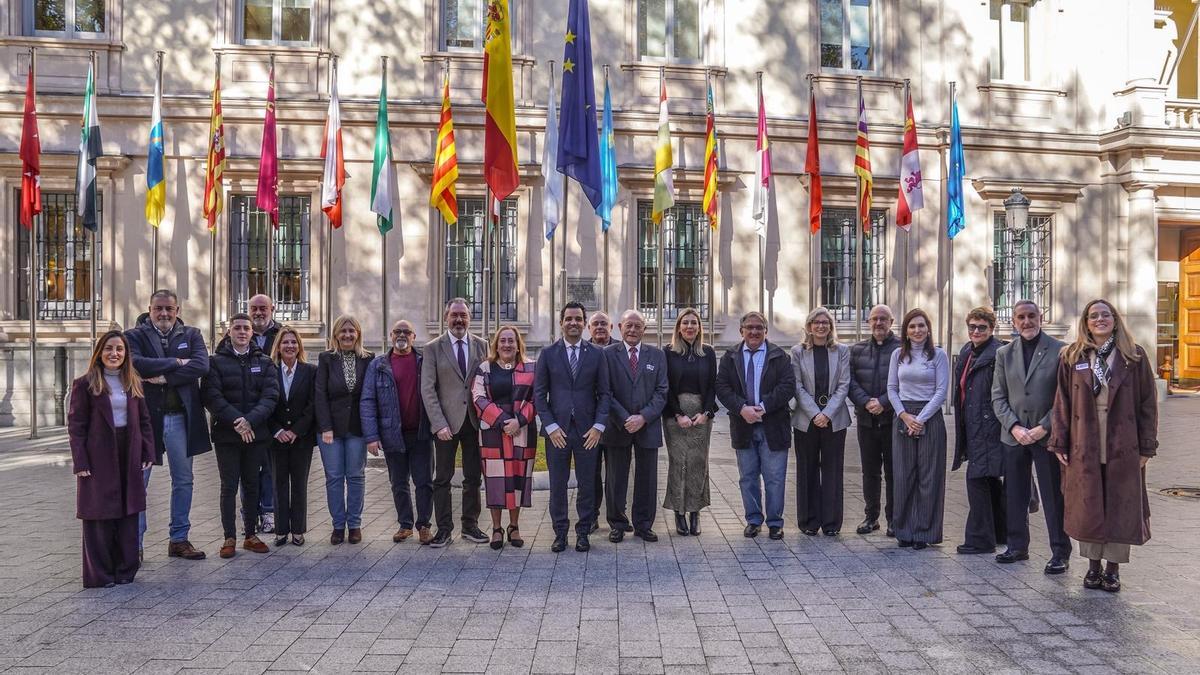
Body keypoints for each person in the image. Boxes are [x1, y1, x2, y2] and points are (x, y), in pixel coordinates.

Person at [1049, 299, 1158, 593]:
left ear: (1115, 319)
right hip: (1084, 442)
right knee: (1088, 505)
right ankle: (1093, 566)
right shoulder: (1072, 356)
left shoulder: (1133, 356)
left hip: (1123, 444)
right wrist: (1058, 439)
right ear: (1086, 322)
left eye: (1105, 315)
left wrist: (1147, 447)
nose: (1100, 319)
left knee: (1121, 505)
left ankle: (1113, 569)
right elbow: (1061, 402)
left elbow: (1148, 404)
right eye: (1094, 315)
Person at [125, 289, 210, 561]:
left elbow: (200, 366)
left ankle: (179, 539)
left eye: (169, 309)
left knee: (184, 480)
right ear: (149, 309)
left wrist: (164, 378)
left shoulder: (192, 335)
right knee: (139, 482)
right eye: (158, 308)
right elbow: (136, 364)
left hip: (181, 418)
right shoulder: (133, 336)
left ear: (177, 310)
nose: (164, 314)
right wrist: (175, 363)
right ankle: (134, 543)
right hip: (146, 421)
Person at [68, 331, 155, 587]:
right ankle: (101, 575)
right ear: (99, 352)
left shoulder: (133, 382)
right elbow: (76, 426)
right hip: (98, 454)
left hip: (129, 450)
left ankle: (125, 570)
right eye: (109, 348)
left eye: (119, 349)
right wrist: (80, 461)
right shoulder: (84, 384)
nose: (114, 354)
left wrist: (148, 451)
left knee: (128, 511)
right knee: (99, 513)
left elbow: (145, 421)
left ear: (126, 354)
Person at [991, 299, 1072, 573]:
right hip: (1014, 435)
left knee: (1052, 495)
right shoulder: (1004, 354)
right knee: (1015, 493)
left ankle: (1060, 551)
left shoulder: (1060, 351)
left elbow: (1064, 396)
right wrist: (1014, 426)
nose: (1026, 322)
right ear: (1013, 321)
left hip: (1045, 435)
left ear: (1041, 317)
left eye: (1031, 316)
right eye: (1021, 317)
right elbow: (998, 397)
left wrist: (1043, 427)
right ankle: (1017, 546)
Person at [534, 302, 612, 553]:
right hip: (558, 432)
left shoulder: (597, 354)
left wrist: (599, 426)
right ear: (561, 322)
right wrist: (551, 426)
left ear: (584, 322)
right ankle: (560, 533)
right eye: (569, 319)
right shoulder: (547, 354)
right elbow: (539, 395)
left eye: (578, 319)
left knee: (587, 484)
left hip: (588, 432)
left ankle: (583, 532)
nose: (573, 323)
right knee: (558, 485)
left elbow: (605, 393)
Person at [202, 314, 279, 558]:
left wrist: (250, 421)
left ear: (251, 333)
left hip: (256, 434)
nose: (243, 332)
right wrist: (238, 421)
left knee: (251, 483)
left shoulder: (265, 362)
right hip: (227, 435)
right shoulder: (215, 362)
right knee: (228, 486)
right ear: (230, 332)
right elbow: (211, 396)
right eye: (238, 328)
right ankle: (229, 537)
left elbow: (270, 397)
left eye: (246, 328)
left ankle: (250, 535)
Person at [715, 311, 795, 540]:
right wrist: (742, 408)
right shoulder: (730, 357)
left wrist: (763, 407)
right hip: (743, 425)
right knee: (747, 476)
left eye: (759, 327)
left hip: (773, 425)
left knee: (775, 477)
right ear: (741, 331)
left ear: (765, 331)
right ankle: (753, 520)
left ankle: (775, 522)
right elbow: (722, 387)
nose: (754, 331)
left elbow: (787, 386)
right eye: (749, 327)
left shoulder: (779, 356)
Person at [421, 298, 490, 547]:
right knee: (442, 478)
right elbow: (428, 390)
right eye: (454, 315)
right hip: (445, 426)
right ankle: (444, 529)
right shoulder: (432, 348)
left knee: (473, 477)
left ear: (469, 318)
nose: (459, 320)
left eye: (463, 316)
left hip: (473, 422)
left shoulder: (482, 345)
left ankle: (470, 526)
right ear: (446, 317)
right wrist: (439, 424)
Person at [361, 320, 434, 545]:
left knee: (424, 482)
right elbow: (367, 400)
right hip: (392, 433)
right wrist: (371, 437)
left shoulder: (424, 361)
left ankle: (423, 525)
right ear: (391, 335)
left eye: (406, 332)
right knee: (398, 482)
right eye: (397, 332)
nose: (402, 335)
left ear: (413, 336)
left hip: (421, 433)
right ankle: (405, 525)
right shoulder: (378, 364)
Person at [886, 308, 950, 550]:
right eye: (912, 326)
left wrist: (920, 419)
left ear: (928, 328)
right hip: (902, 416)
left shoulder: (938, 355)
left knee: (928, 476)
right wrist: (903, 415)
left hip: (929, 417)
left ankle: (924, 531)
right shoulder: (897, 356)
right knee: (903, 475)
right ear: (905, 331)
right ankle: (904, 529)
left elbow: (941, 392)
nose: (917, 330)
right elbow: (892, 388)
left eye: (921, 325)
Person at [602, 310, 668, 543]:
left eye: (637, 326)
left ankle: (643, 525)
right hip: (617, 426)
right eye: (628, 326)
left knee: (647, 479)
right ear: (620, 327)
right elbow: (605, 391)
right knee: (615, 478)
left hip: (647, 426)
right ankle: (617, 523)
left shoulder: (657, 356)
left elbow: (662, 392)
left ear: (644, 330)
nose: (632, 330)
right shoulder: (608, 354)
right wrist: (624, 418)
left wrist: (643, 417)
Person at [471, 326, 538, 549]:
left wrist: (518, 421)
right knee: (496, 479)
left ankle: (514, 526)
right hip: (493, 431)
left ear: (518, 344)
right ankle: (497, 527)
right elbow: (478, 397)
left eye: (511, 341)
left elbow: (537, 398)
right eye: (503, 341)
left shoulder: (531, 367)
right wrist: (502, 421)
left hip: (522, 431)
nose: (507, 345)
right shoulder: (484, 368)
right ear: (496, 345)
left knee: (518, 477)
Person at [791, 307, 851, 537]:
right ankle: (808, 521)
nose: (821, 326)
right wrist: (816, 413)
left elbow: (844, 384)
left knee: (833, 470)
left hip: (835, 420)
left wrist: (827, 414)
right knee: (807, 470)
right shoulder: (797, 352)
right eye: (816, 322)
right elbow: (797, 386)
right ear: (809, 326)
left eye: (825, 322)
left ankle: (831, 523)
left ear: (831, 326)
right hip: (806, 420)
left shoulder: (842, 351)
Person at [952, 307, 1007, 555]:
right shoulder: (967, 351)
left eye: (981, 327)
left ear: (991, 328)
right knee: (988, 478)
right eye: (972, 327)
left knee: (977, 479)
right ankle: (999, 532)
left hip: (988, 424)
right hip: (972, 422)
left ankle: (980, 539)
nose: (976, 331)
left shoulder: (998, 353)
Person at [315, 315, 374, 545]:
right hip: (331, 430)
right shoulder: (326, 359)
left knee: (356, 476)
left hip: (358, 428)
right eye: (343, 331)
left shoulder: (368, 359)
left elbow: (371, 396)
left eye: (352, 331)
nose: (348, 335)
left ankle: (355, 525)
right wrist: (326, 427)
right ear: (336, 335)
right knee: (334, 477)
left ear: (358, 334)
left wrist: (372, 432)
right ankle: (338, 525)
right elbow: (320, 394)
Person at [663, 308, 717, 536]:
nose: (689, 327)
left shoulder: (708, 352)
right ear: (678, 327)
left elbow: (713, 385)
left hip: (701, 415)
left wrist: (706, 412)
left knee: (698, 462)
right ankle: (679, 512)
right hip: (676, 414)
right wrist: (678, 414)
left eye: (694, 323)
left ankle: (695, 512)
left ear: (699, 327)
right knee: (679, 463)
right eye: (685, 323)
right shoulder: (667, 352)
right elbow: (664, 386)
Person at [848, 304, 901, 537]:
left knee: (893, 471)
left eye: (883, 319)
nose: (878, 323)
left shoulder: (902, 348)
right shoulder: (857, 350)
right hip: (866, 421)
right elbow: (849, 382)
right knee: (869, 471)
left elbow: (903, 382)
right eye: (874, 319)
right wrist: (866, 402)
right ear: (868, 322)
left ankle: (893, 519)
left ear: (891, 322)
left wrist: (883, 402)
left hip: (892, 421)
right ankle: (871, 517)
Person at [268, 325, 316, 547]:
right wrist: (277, 429)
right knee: (278, 483)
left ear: (299, 347)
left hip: (301, 438)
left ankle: (298, 530)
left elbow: (312, 405)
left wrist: (296, 430)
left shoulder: (309, 371)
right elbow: (265, 403)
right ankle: (280, 531)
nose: (290, 346)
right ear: (278, 347)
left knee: (299, 484)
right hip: (276, 437)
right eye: (285, 342)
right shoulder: (270, 370)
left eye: (293, 342)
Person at [248, 294, 280, 533]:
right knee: (246, 468)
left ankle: (268, 512)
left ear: (273, 309)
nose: (258, 312)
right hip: (245, 413)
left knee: (269, 467)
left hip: (272, 409)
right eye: (254, 308)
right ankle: (249, 514)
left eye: (263, 308)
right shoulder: (236, 332)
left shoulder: (281, 334)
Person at [587, 311, 615, 533]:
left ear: (612, 327)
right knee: (592, 472)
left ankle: (616, 516)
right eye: (595, 324)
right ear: (589, 328)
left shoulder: (620, 349)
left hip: (616, 422)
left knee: (616, 473)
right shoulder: (582, 350)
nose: (599, 327)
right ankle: (592, 514)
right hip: (590, 424)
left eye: (603, 324)